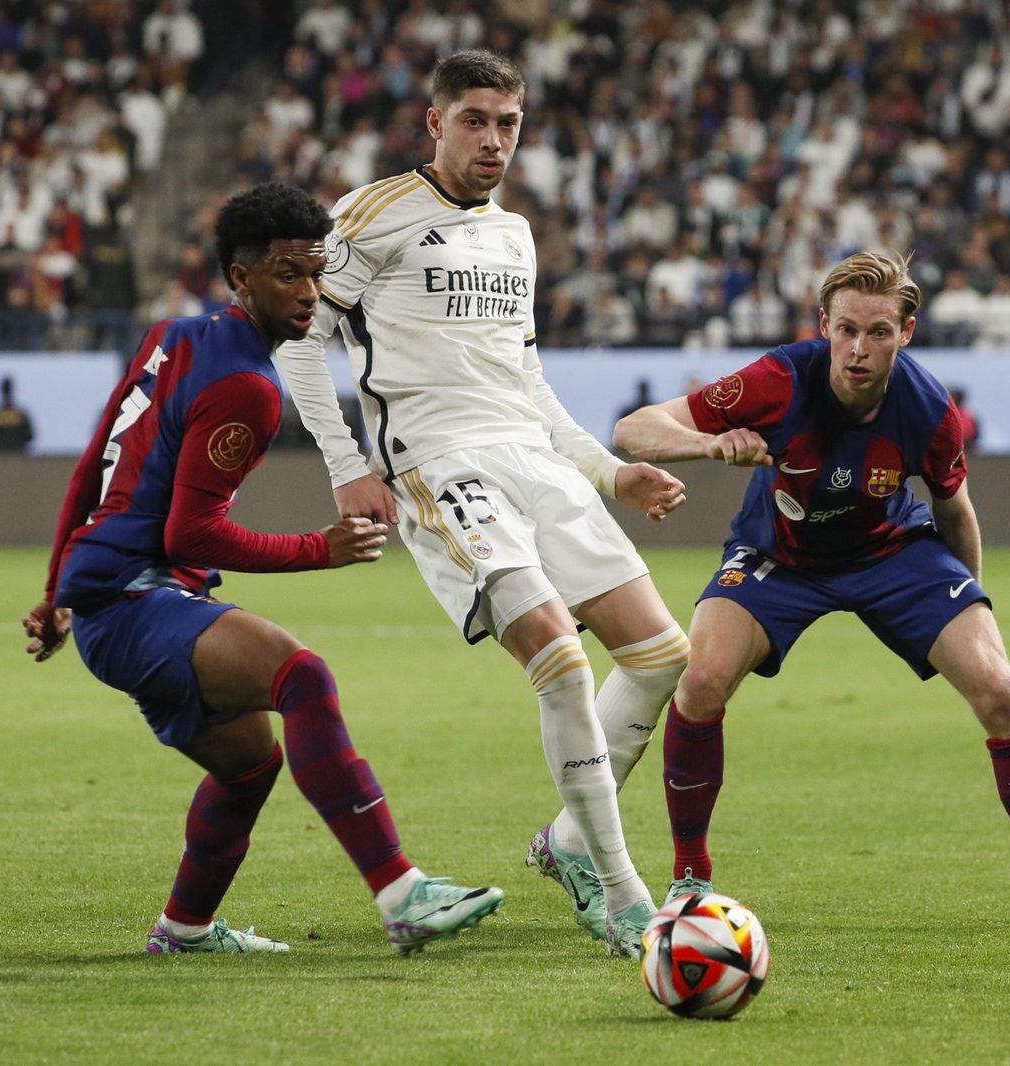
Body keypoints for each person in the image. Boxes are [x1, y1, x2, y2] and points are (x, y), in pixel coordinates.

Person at [274, 50, 690, 957]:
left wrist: (609, 470)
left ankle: (572, 843)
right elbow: (301, 342)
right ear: (434, 123)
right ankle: (624, 896)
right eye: (474, 119)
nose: (494, 138)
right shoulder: (372, 214)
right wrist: (346, 463)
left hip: (532, 461)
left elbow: (525, 377)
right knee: (562, 658)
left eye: (508, 122)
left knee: (661, 657)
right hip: (438, 464)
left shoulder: (515, 234)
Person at [21, 182, 502, 956]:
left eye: (316, 272)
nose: (309, 293)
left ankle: (184, 929)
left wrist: (55, 593)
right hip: (136, 599)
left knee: (248, 766)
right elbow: (192, 533)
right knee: (301, 676)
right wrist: (323, 547)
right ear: (239, 276)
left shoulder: (167, 337)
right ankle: (403, 893)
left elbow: (91, 468)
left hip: (111, 599)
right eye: (286, 273)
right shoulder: (247, 388)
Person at [611, 251, 1010, 934]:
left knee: (1001, 690)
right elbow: (632, 429)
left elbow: (954, 510)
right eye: (845, 329)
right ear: (824, 325)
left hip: (890, 552)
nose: (858, 348)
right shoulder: (778, 378)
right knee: (698, 681)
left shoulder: (930, 407)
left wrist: (969, 608)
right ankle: (691, 878)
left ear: (906, 333)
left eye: (878, 332)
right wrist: (709, 443)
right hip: (776, 557)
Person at [0, 376, 35, 455]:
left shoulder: (21, 415)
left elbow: (29, 436)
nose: (7, 395)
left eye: (8, 392)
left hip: (18, 456)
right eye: (6, 392)